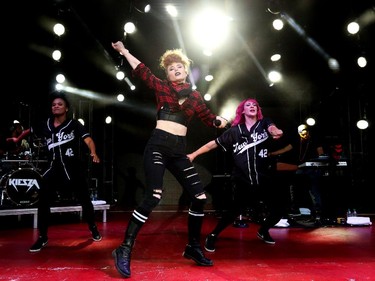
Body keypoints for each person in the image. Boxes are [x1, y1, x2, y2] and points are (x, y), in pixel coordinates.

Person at [111, 41, 228, 278]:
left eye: (179, 67)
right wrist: (124, 52)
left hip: (178, 152)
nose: (175, 70)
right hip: (157, 146)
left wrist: (221, 121)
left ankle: (193, 247)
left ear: (186, 70)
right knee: (154, 196)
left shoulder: (195, 97)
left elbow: (209, 118)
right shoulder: (162, 87)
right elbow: (142, 70)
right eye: (171, 68)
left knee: (199, 197)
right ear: (167, 74)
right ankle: (124, 248)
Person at [7, 92, 102, 252]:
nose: (56, 106)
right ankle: (43, 237)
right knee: (43, 200)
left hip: (73, 169)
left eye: (60, 104)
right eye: (53, 104)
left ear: (66, 108)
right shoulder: (46, 124)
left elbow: (88, 139)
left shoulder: (74, 125)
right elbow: (30, 130)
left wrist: (93, 152)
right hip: (54, 168)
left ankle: (92, 227)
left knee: (85, 201)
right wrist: (18, 139)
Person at [187, 98, 284, 253]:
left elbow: (272, 127)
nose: (252, 106)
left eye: (255, 105)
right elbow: (213, 144)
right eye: (248, 105)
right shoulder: (234, 131)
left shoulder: (264, 123)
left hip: (264, 177)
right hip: (242, 179)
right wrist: (193, 154)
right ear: (242, 110)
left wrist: (275, 131)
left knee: (279, 209)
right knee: (233, 212)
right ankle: (213, 235)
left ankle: (263, 230)